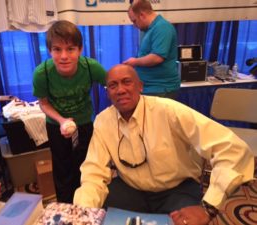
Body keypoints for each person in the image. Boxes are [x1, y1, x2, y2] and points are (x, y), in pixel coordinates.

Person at [74, 64, 254, 225]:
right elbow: (94, 172)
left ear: (140, 86)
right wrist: (83, 211)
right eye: (113, 85)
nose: (120, 90)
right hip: (130, 188)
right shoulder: (103, 121)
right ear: (107, 93)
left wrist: (209, 207)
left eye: (127, 82)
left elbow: (233, 149)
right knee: (97, 217)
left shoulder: (169, 111)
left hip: (176, 190)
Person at [33, 20, 106, 203]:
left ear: (80, 49)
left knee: (87, 166)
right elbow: (43, 103)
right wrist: (61, 120)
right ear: (50, 51)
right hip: (56, 126)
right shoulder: (42, 74)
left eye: (70, 49)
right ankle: (65, 208)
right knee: (62, 169)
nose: (64, 56)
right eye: (57, 49)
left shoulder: (91, 67)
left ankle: (87, 206)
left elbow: (112, 85)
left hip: (85, 124)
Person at [123, 0, 180, 99]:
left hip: (160, 89)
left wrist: (134, 62)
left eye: (134, 21)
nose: (134, 25)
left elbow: (157, 58)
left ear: (142, 15)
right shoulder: (149, 29)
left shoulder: (162, 27)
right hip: (150, 88)